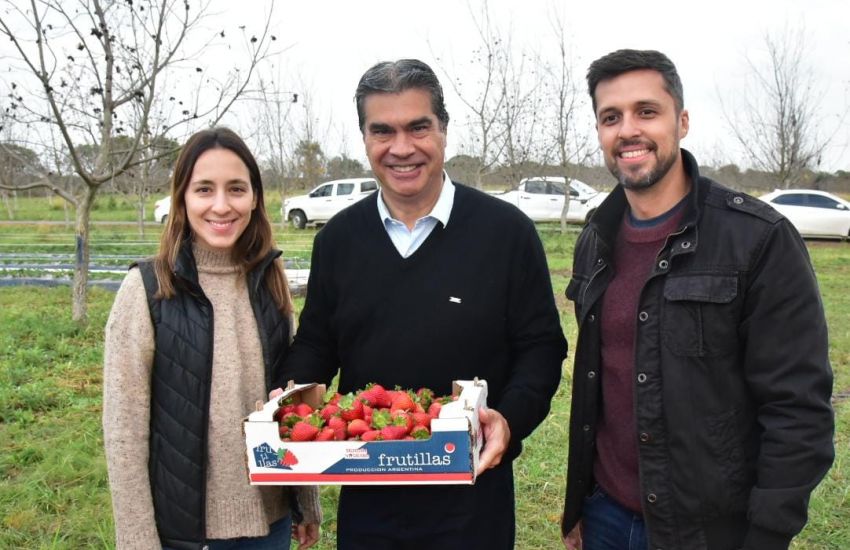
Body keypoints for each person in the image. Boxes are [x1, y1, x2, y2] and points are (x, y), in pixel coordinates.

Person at [279, 58, 567, 549]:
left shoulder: (506, 233)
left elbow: (541, 348)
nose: (401, 148)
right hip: (368, 492)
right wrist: (290, 396)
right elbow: (317, 343)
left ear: (444, 130)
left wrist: (509, 420)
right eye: (382, 131)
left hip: (473, 494)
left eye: (418, 127)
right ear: (364, 138)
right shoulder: (339, 240)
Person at [561, 49, 835, 550]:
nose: (628, 130)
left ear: (681, 122)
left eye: (647, 111)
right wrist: (578, 506)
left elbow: (797, 407)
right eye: (611, 117)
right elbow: (598, 388)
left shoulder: (757, 239)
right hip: (605, 514)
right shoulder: (596, 237)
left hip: (708, 532)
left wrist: (767, 534)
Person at [103, 127, 322, 550]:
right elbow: (124, 433)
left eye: (236, 188)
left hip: (271, 523)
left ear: (255, 197)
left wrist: (304, 501)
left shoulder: (269, 280)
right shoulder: (147, 289)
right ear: (182, 198)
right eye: (204, 189)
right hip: (187, 533)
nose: (221, 205)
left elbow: (290, 402)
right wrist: (137, 540)